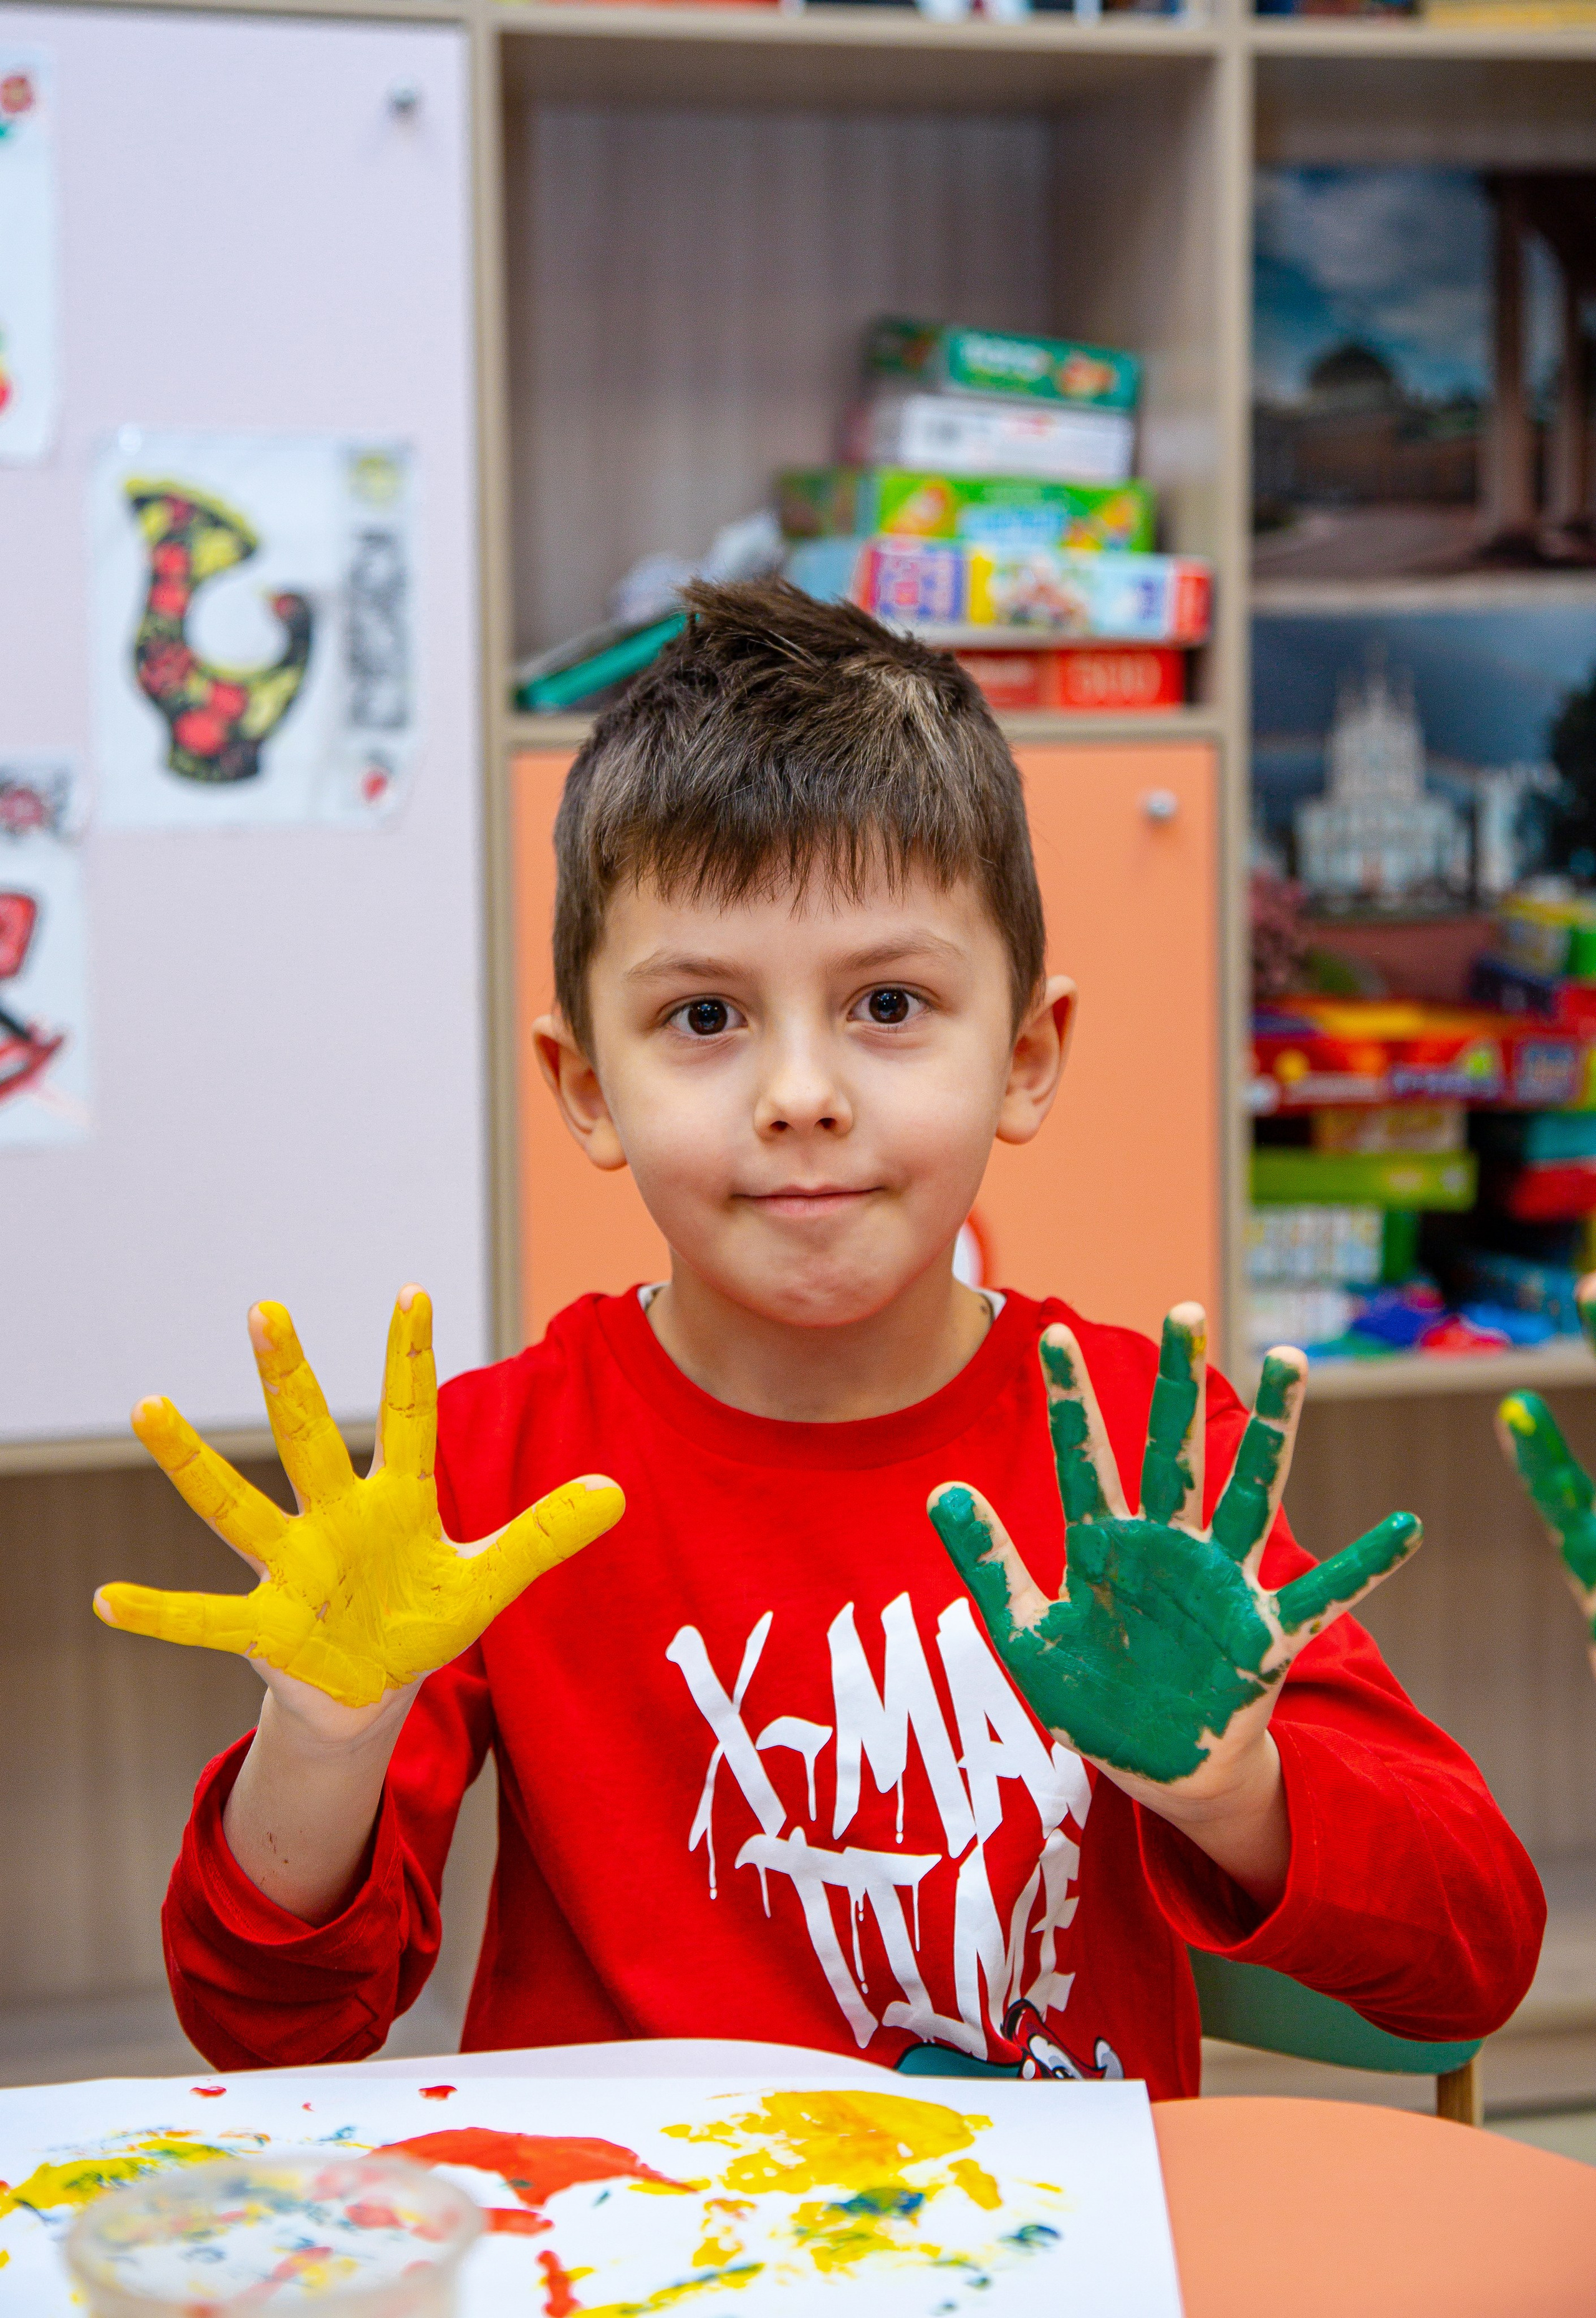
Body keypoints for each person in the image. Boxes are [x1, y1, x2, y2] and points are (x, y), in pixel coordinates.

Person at [100, 581, 1542, 2090]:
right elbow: (269, 2028)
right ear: (586, 1084)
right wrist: (324, 1741)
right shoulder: (494, 1467)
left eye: (889, 1002)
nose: (801, 1094)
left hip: (1047, 2217)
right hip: (627, 2211)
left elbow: (1472, 1959)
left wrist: (1230, 1787)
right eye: (704, 1017)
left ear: (1024, 1055)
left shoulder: (1138, 1453)